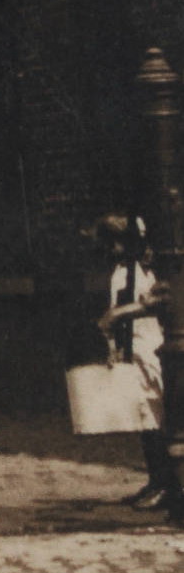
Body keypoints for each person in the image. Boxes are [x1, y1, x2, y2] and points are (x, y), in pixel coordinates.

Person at [97, 214, 174, 512]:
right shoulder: (121, 270)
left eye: (115, 242)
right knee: (143, 418)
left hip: (149, 346)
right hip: (132, 349)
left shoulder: (145, 271)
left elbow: (153, 303)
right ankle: (155, 480)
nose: (111, 249)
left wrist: (118, 315)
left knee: (155, 418)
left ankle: (167, 484)